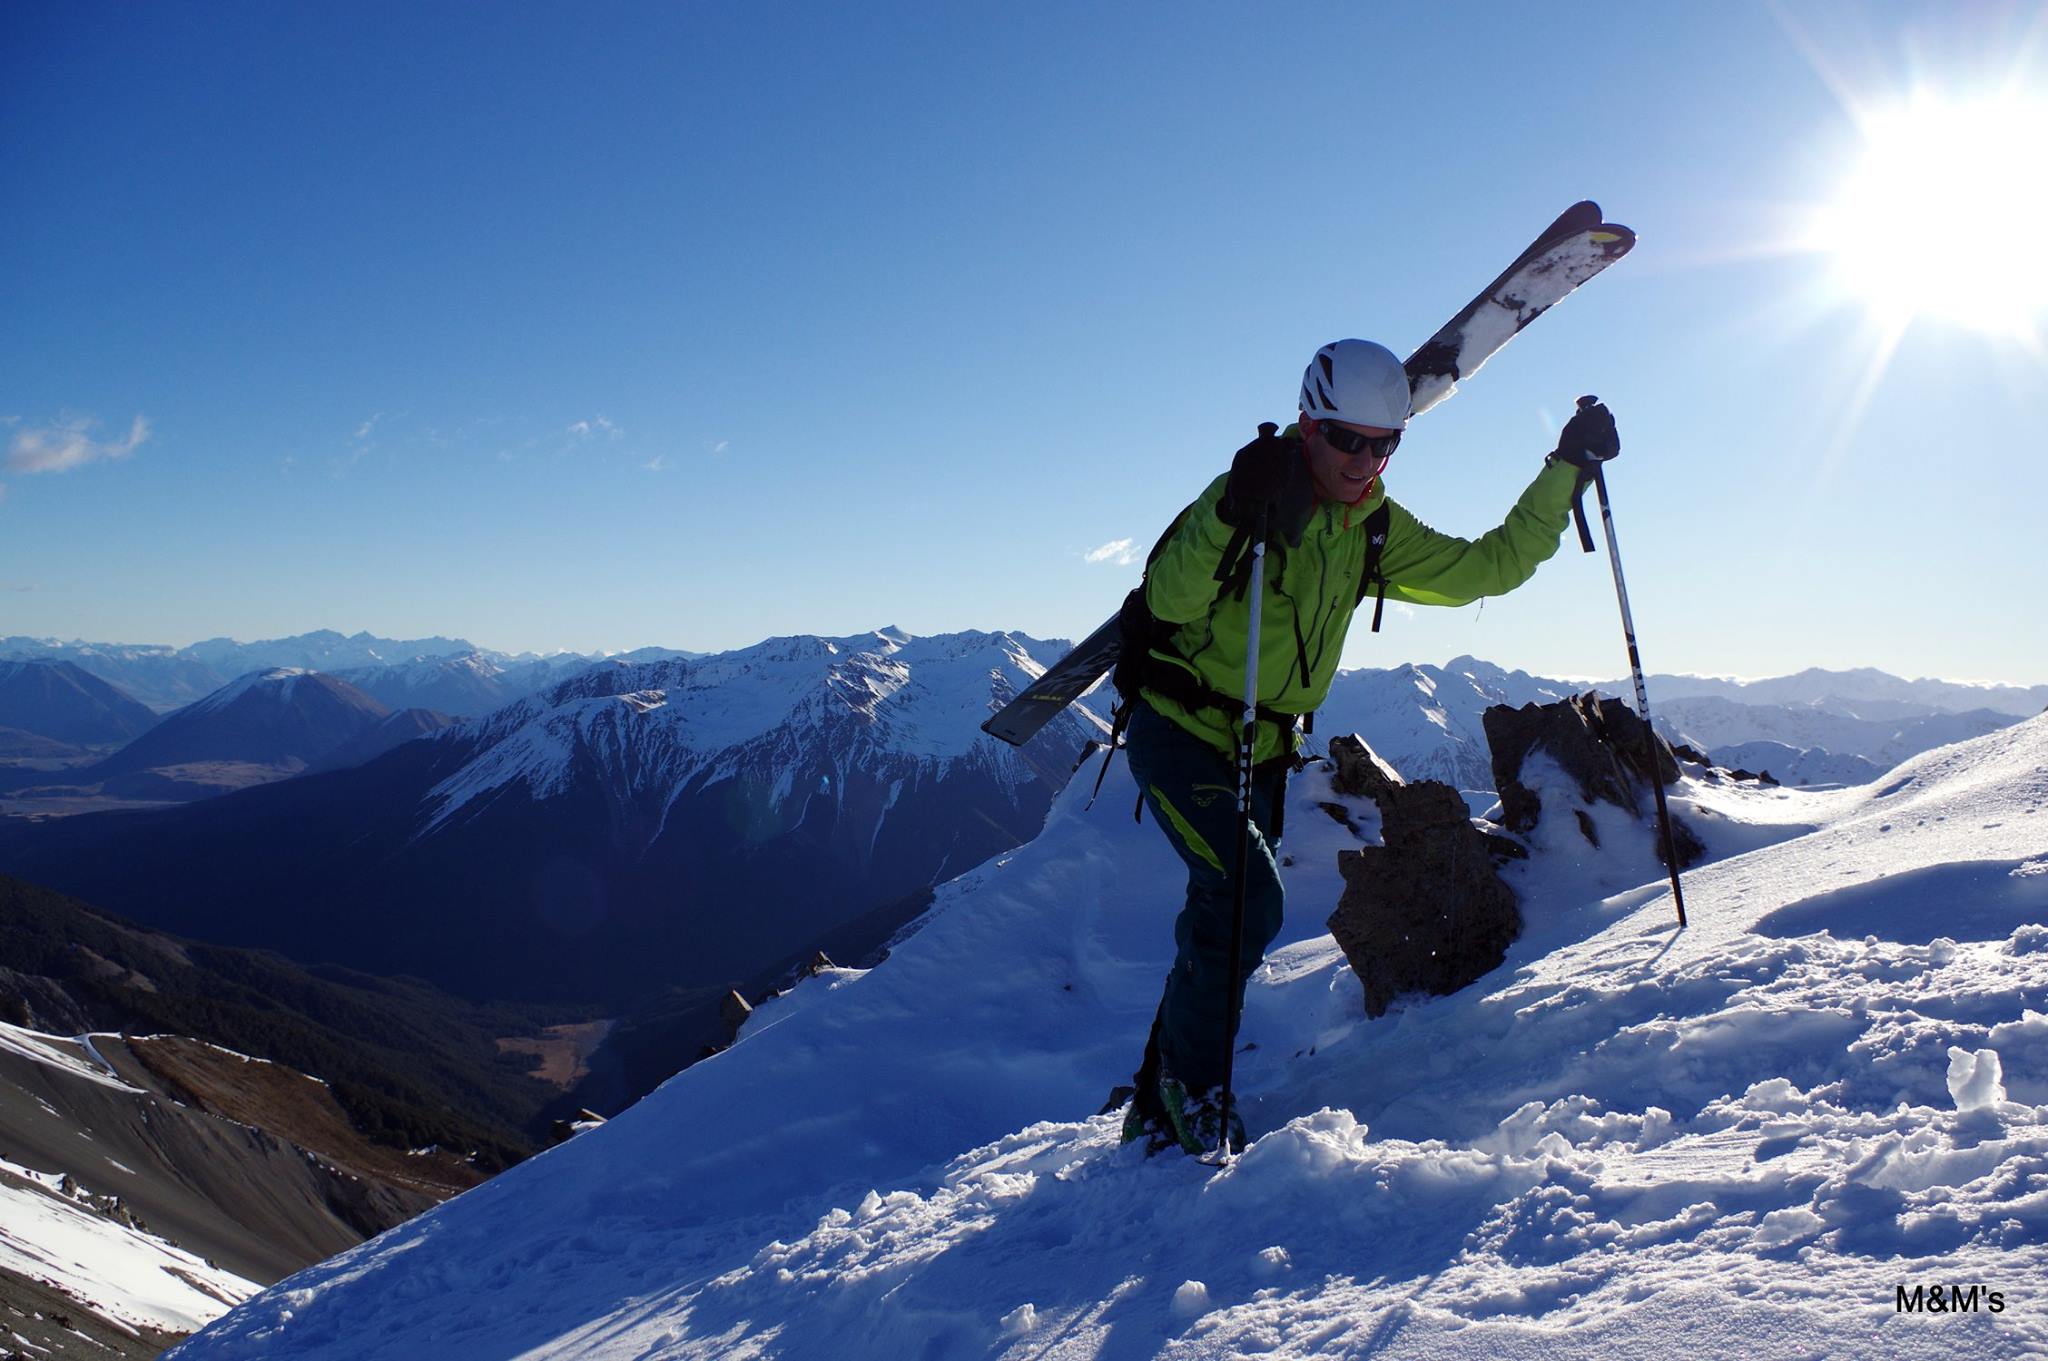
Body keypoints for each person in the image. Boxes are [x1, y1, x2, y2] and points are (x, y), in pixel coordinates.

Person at [1118, 338, 1620, 1155]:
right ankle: (1195, 1086)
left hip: (1265, 744)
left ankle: (1159, 1091)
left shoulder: (1372, 528)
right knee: (1246, 898)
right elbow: (1169, 598)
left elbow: (1483, 568)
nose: (1364, 458)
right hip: (1177, 727)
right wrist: (1230, 510)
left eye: (1384, 442)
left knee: (1228, 911)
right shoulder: (1248, 495)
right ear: (1310, 425)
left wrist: (1564, 468)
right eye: (1347, 438)